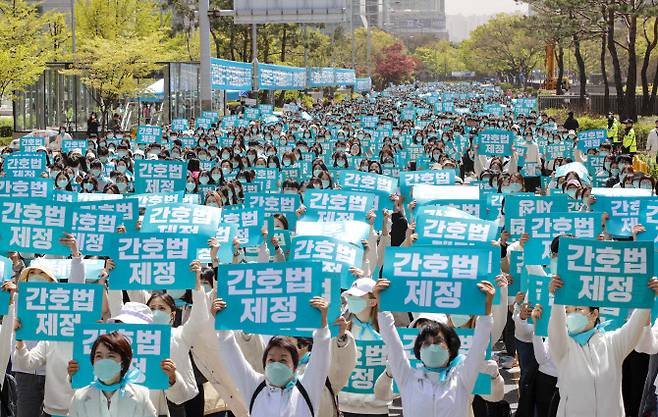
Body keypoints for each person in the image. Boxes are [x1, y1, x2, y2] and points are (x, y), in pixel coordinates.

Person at [372, 278, 496, 417]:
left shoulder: (462, 377)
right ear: (418, 350)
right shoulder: (408, 378)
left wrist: (487, 309)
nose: (432, 347)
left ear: (450, 348)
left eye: (438, 341)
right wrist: (382, 306)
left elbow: (480, 344)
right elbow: (392, 342)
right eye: (426, 343)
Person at [547, 273, 657, 416]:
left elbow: (634, 326)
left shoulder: (612, 342)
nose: (572, 315)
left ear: (594, 314)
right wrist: (557, 298)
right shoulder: (563, 347)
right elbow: (556, 326)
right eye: (568, 311)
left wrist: (648, 296)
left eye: (579, 309)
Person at [212, 296, 331, 417]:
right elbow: (232, 357)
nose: (276, 364)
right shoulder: (255, 386)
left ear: (294, 367)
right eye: (271, 360)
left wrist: (322, 324)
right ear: (264, 365)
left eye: (283, 360)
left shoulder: (307, 387)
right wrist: (222, 326)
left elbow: (321, 356)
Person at [68, 332, 157, 417]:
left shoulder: (141, 396)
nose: (103, 361)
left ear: (123, 363)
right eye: (99, 356)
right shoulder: (79, 397)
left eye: (111, 356)